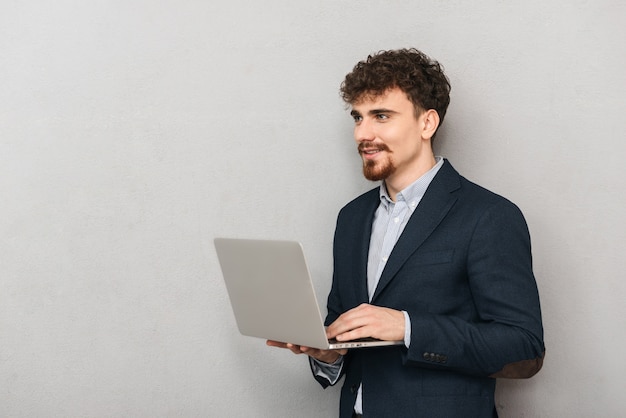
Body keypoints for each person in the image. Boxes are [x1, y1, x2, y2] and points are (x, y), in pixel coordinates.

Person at [267, 48, 545, 418]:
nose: (363, 134)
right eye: (358, 117)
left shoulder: (489, 215)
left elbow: (524, 349)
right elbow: (346, 328)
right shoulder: (351, 218)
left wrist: (406, 327)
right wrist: (328, 352)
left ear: (427, 123)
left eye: (381, 116)